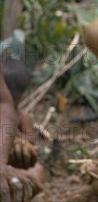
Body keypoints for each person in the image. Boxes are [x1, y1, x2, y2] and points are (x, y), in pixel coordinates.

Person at [0, 58, 44, 201]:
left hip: (11, 165)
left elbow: (30, 140)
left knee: (37, 172)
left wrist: (19, 143)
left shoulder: (22, 116)